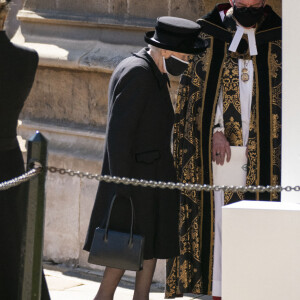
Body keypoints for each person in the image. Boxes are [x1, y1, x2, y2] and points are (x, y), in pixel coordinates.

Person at [83, 16, 207, 300]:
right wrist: (124, 186)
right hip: (134, 184)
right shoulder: (138, 72)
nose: (187, 61)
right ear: (165, 50)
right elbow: (119, 135)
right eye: (185, 55)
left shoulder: (153, 70)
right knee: (121, 253)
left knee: (151, 247)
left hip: (153, 181)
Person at [166, 1, 281, 300]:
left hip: (266, 150)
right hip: (222, 153)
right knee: (222, 218)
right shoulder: (210, 35)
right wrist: (215, 131)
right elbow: (198, 93)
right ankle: (220, 288)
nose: (248, 6)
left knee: (260, 217)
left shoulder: (280, 35)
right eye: (242, 2)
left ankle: (258, 287)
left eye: (254, 2)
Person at [0, 1, 50, 299]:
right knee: (13, 241)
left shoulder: (25, 57)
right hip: (9, 163)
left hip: (9, 164)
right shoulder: (25, 57)